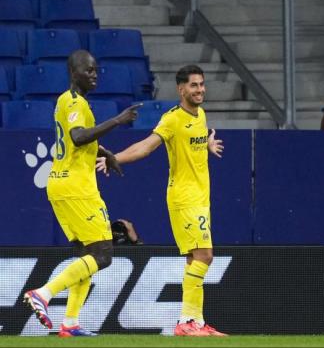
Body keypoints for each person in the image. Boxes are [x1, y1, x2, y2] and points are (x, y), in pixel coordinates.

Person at [23, 49, 142, 337]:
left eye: (96, 70)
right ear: (73, 73)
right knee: (103, 255)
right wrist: (117, 121)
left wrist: (105, 153)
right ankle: (43, 293)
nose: (95, 75)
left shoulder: (70, 103)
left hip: (61, 184)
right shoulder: (74, 101)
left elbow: (75, 139)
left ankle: (70, 323)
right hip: (78, 187)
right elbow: (77, 137)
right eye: (88, 70)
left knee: (86, 257)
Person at [110, 64, 226, 337]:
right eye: (194, 85)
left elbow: (192, 144)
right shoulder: (172, 119)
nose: (200, 90)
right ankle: (187, 320)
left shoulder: (200, 114)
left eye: (202, 84)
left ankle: (195, 321)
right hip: (184, 198)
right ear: (181, 89)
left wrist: (206, 145)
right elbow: (147, 146)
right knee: (205, 256)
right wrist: (115, 157)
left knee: (193, 258)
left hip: (200, 197)